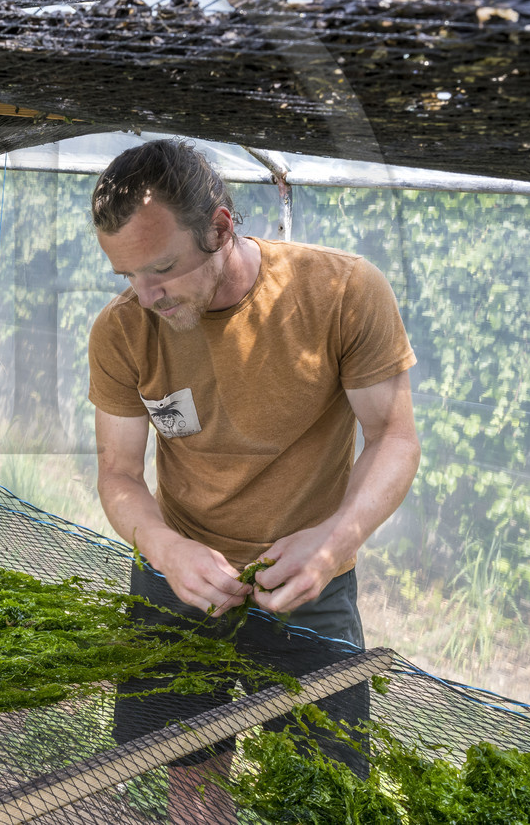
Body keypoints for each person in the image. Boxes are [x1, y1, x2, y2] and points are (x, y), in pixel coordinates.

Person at [86, 139, 420, 825]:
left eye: (163, 268)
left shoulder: (342, 292)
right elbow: (119, 475)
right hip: (179, 579)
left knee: (323, 792)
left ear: (220, 225)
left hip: (309, 581)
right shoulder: (122, 331)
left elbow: (394, 438)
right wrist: (164, 547)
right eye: (125, 273)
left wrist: (332, 542)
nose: (146, 296)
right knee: (191, 781)